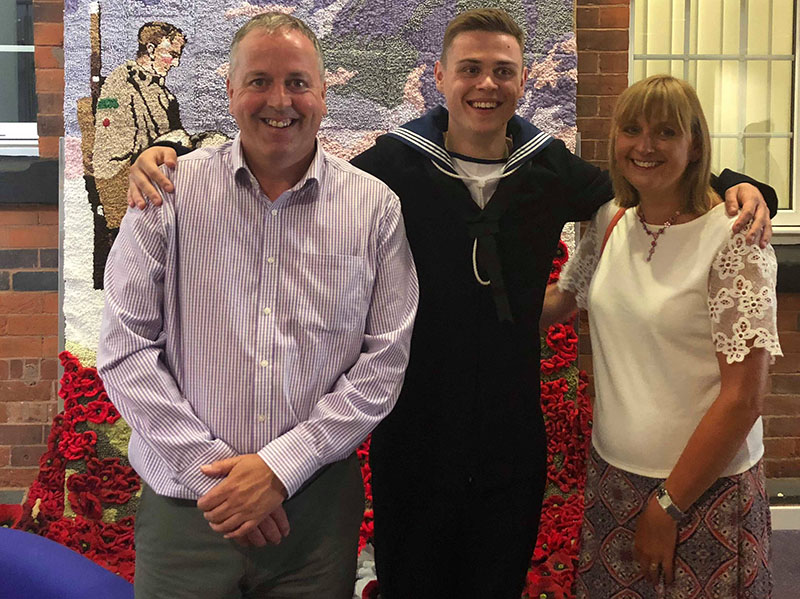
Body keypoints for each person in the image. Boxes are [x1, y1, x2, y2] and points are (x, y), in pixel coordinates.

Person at [124, 9, 777, 598]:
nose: (485, 85)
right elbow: (291, 149)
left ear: (523, 82)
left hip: (509, 440)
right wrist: (175, 150)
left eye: (502, 72)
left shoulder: (548, 167)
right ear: (439, 77)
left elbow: (644, 179)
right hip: (416, 440)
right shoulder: (392, 171)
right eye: (470, 69)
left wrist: (741, 185)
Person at [97, 13, 417, 599]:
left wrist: (280, 469)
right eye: (259, 81)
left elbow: (384, 362)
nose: (280, 100)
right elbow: (124, 349)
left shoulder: (374, 210)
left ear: (323, 92)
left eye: (297, 82)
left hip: (314, 519)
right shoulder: (167, 195)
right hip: (184, 516)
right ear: (229, 91)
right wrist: (220, 478)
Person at [542, 75, 779, 598]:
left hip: (703, 494)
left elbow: (744, 398)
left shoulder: (735, 236)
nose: (644, 146)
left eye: (665, 132)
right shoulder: (610, 220)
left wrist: (668, 504)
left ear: (694, 145)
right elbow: (562, 303)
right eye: (632, 129)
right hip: (613, 481)